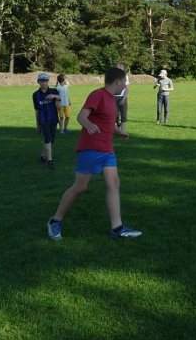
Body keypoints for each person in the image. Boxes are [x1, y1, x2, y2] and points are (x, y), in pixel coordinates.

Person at [47, 67, 142, 241]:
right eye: (125, 81)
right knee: (80, 187)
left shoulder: (111, 99)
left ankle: (117, 228)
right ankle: (55, 220)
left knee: (114, 184)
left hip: (107, 150)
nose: (126, 85)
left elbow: (107, 123)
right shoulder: (98, 95)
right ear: (118, 81)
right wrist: (89, 125)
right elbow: (81, 116)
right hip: (91, 148)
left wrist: (119, 132)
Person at [33, 72, 60, 167]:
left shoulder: (54, 91)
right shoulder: (35, 95)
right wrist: (37, 125)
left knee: (51, 140)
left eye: (45, 81)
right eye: (42, 81)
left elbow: (59, 105)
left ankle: (43, 155)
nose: (44, 83)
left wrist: (54, 97)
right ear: (38, 82)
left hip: (53, 119)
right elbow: (36, 110)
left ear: (48, 81)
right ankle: (50, 160)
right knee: (48, 138)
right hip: (43, 120)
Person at [115, 63, 130, 133]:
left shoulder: (125, 76)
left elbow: (127, 89)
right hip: (113, 98)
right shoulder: (113, 76)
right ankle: (117, 130)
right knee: (115, 115)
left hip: (122, 97)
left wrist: (124, 99)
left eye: (120, 68)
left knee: (123, 115)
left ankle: (123, 132)